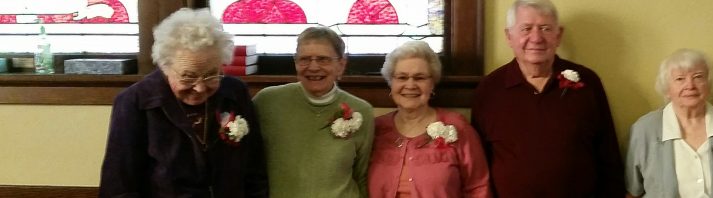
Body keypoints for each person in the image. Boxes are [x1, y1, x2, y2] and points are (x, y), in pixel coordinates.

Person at [99, 8, 268, 197]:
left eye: (211, 74)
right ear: (165, 67)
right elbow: (118, 187)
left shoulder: (235, 93)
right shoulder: (135, 102)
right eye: (188, 76)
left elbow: (255, 171)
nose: (200, 88)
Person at [470, 0, 625, 197]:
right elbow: (477, 166)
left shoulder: (588, 82)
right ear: (509, 36)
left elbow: (608, 157)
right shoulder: (489, 89)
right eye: (526, 29)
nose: (536, 38)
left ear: (558, 35)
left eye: (545, 28)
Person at [625, 49, 713, 198]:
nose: (690, 85)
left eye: (698, 77)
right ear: (667, 89)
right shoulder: (645, 129)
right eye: (680, 79)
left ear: (709, 84)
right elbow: (632, 192)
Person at [252, 26, 374, 197]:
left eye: (323, 59)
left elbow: (362, 176)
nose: (313, 67)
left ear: (341, 65)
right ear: (295, 63)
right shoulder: (267, 102)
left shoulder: (361, 111)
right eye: (305, 59)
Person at [368, 41, 491, 198]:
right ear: (391, 83)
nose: (410, 85)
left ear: (432, 84)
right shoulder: (375, 129)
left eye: (419, 78)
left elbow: (479, 187)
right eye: (402, 77)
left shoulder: (457, 126)